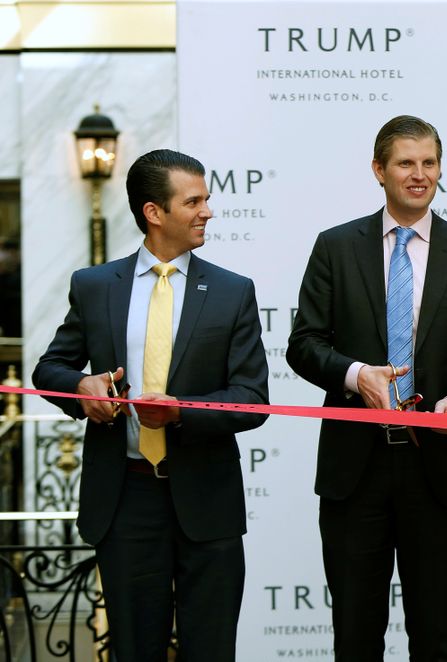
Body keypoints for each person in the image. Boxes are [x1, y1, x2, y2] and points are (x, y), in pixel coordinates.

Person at [286, 115, 447, 661]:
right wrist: (354, 374)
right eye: (406, 163)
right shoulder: (335, 247)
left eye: (429, 163)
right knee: (356, 636)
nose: (419, 175)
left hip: (439, 469)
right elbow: (304, 344)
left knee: (435, 636)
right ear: (378, 170)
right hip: (354, 469)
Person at [33, 149, 269, 661]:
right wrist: (82, 388)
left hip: (208, 501)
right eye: (194, 201)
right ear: (154, 212)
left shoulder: (232, 292)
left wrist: (181, 412)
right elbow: (49, 370)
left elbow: (252, 399)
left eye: (207, 199)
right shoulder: (95, 287)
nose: (208, 211)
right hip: (125, 500)